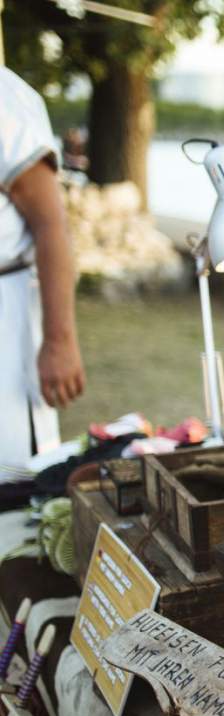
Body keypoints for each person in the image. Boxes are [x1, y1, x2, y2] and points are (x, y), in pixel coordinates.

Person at [0, 67, 86, 473]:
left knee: (10, 479)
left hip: (6, 319)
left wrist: (59, 340)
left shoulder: (6, 98)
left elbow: (51, 226)